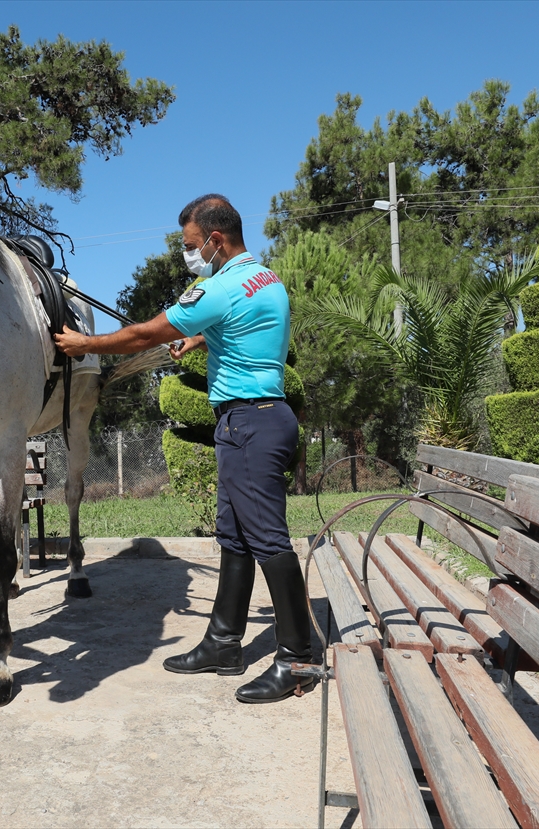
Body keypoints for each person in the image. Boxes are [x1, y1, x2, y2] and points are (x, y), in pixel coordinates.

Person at [54, 194, 313, 704]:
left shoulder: (219, 287)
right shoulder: (265, 279)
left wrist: (86, 345)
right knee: (235, 537)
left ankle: (298, 659)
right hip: (261, 418)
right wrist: (200, 342)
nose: (190, 255)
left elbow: (141, 335)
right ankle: (223, 643)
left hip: (248, 424)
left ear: (216, 239)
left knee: (268, 541)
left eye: (192, 245)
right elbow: (248, 330)